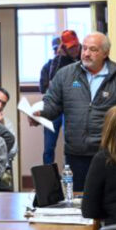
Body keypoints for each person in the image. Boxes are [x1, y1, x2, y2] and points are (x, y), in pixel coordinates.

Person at [35, 32, 116, 192]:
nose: (86, 53)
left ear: (105, 53)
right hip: (76, 154)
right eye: (84, 48)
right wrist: (40, 113)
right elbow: (52, 104)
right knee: (78, 200)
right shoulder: (65, 75)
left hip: (111, 155)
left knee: (109, 198)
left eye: (93, 49)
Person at [38, 30, 80, 164]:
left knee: (72, 144)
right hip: (54, 107)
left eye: (75, 46)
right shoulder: (51, 65)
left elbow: (79, 85)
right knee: (49, 147)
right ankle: (49, 175)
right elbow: (46, 87)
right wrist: (60, 58)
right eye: (55, 49)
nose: (73, 50)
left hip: (71, 108)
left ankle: (70, 173)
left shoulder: (81, 60)